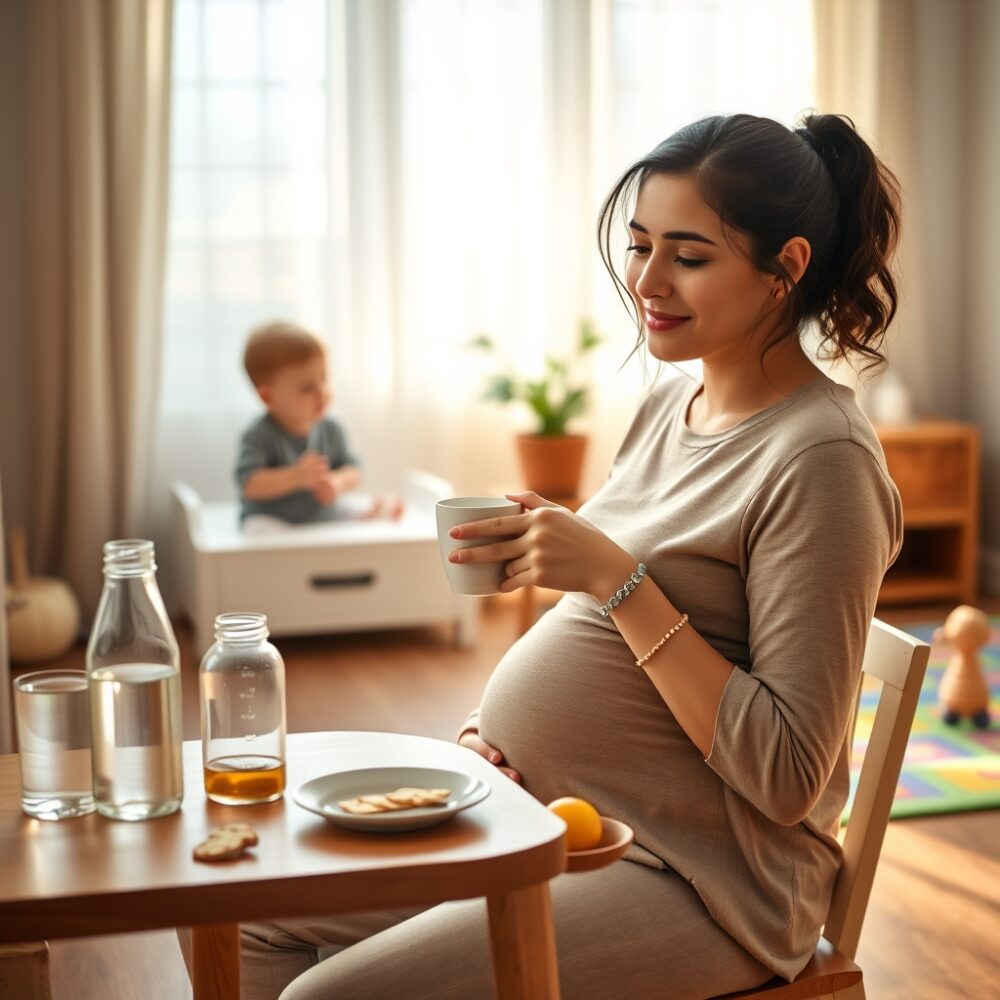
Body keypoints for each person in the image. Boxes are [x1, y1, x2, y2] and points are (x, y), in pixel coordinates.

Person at [231, 112, 903, 999]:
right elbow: (598, 637)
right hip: (553, 816)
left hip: (702, 879)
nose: (647, 281)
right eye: (639, 245)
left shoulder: (822, 461)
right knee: (252, 909)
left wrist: (617, 579)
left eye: (688, 256)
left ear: (786, 268)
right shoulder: (668, 406)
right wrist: (487, 736)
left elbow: (786, 776)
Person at [236, 321, 402, 530]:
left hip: (323, 514)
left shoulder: (331, 428)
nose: (322, 392)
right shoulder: (258, 435)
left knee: (350, 510)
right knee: (257, 529)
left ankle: (372, 513)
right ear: (267, 396)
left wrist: (337, 482)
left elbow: (354, 470)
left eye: (324, 379)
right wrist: (296, 476)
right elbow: (249, 484)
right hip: (272, 517)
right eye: (307, 388)